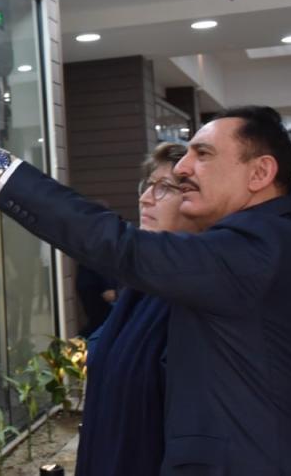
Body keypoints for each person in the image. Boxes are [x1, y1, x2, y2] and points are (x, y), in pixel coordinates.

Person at [0, 94, 291, 475]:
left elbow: (115, 243)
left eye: (203, 154)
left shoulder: (264, 245)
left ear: (260, 173)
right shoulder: (243, 250)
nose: (182, 168)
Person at [77, 143, 201, 476]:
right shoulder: (143, 284)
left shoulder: (195, 298)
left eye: (164, 188)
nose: (145, 198)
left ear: (199, 201)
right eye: (147, 185)